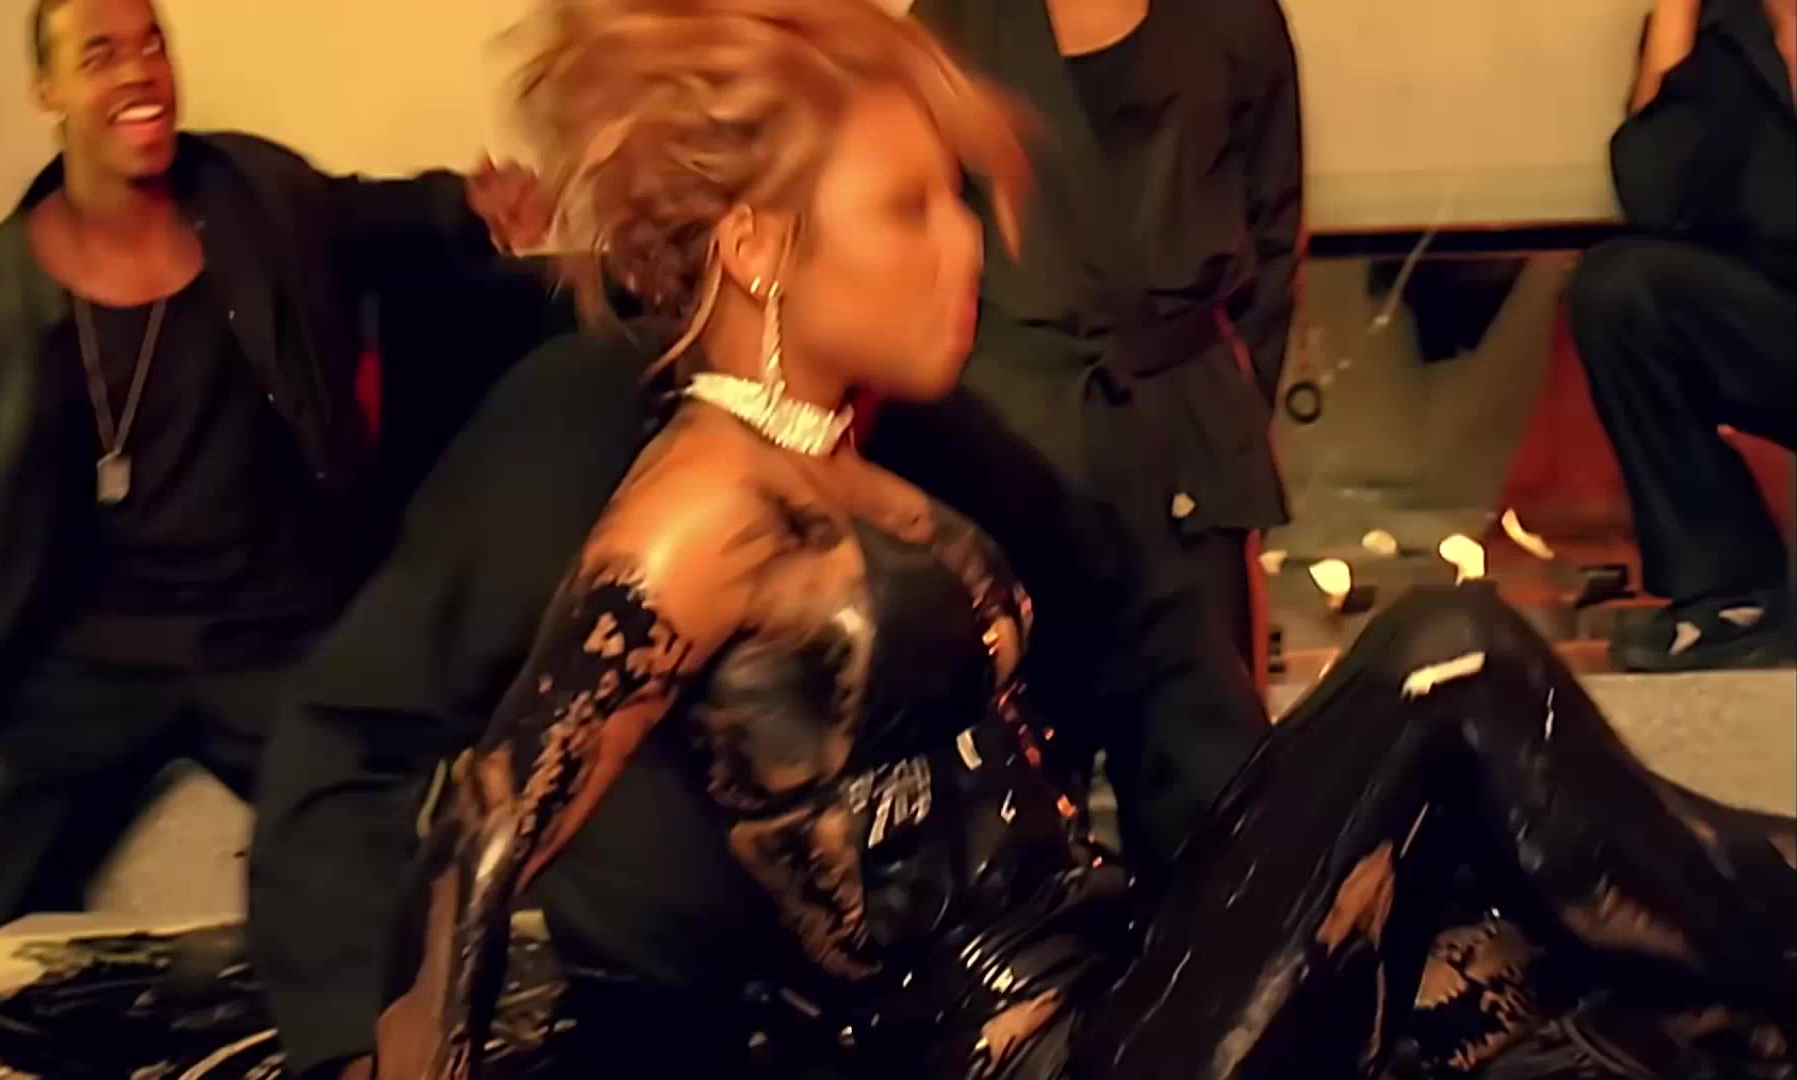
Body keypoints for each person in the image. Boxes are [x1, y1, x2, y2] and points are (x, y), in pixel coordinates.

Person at [376, 3, 1796, 1078]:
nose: (965, 244)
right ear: (756, 248)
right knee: (1444, 658)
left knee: (1587, 955)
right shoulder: (704, 508)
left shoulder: (848, 467)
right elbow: (481, 836)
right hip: (1042, 1048)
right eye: (908, 207)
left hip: (1128, 962)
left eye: (958, 201)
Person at [0, 0, 546, 979]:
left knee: (388, 868)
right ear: (47, 91)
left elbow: (373, 216)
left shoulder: (254, 197)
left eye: (151, 44)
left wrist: (471, 207)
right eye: (99, 55)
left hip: (271, 626)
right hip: (79, 651)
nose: (138, 72)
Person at [908, 0, 1303, 689]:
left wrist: (1229, 418)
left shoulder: (1235, 18)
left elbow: (1273, 232)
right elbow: (917, 231)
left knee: (1208, 729)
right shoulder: (954, 18)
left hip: (1184, 439)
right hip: (1011, 438)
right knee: (1019, 720)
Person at [1570, 0, 1797, 672]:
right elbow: (1656, 197)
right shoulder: (1723, 29)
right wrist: (1678, 13)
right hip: (1779, 325)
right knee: (1619, 289)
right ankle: (1731, 593)